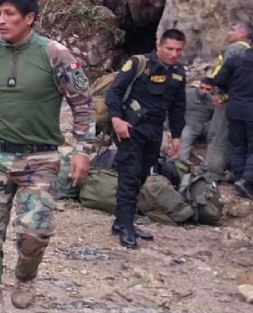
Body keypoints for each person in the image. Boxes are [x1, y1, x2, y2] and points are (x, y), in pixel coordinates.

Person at [0, 0, 94, 313]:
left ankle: (25, 275)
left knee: (34, 231)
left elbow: (82, 104)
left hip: (40, 159)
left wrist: (82, 151)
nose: (2, 21)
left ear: (30, 18)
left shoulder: (55, 55)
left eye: (10, 14)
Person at [104, 29, 187, 248]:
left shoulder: (178, 72)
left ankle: (121, 221)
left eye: (178, 50)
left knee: (141, 175)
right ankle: (126, 226)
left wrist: (177, 136)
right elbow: (114, 93)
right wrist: (116, 120)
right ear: (158, 46)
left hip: (154, 131)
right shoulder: (139, 63)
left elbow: (178, 107)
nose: (173, 54)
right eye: (169, 48)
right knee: (129, 176)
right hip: (131, 127)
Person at [205, 21, 253, 199]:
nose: (229, 32)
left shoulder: (235, 57)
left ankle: (238, 180)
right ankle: (247, 181)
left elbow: (219, 80)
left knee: (237, 145)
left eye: (232, 29)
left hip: (234, 107)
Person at [178, 81, 215, 165]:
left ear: (212, 90)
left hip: (205, 127)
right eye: (201, 88)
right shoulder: (187, 94)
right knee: (185, 136)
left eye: (208, 89)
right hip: (189, 125)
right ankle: (182, 161)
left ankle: (210, 164)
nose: (204, 91)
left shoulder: (214, 100)